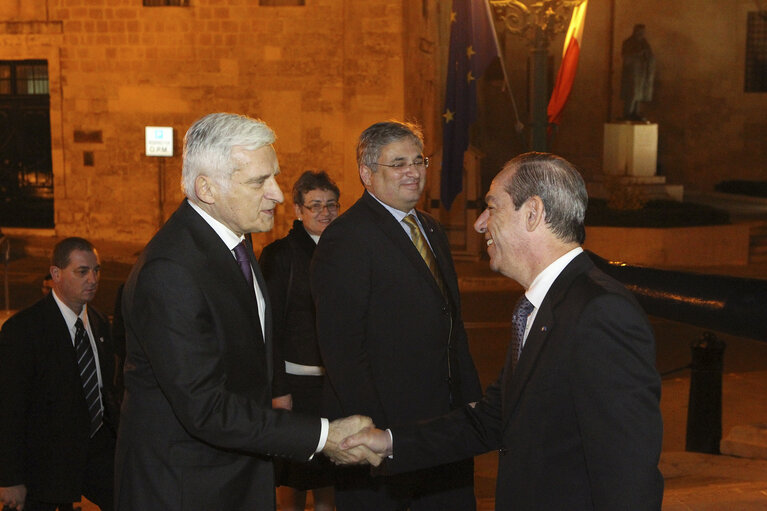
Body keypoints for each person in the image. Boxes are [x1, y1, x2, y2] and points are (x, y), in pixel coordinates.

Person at [341, 152, 665, 510]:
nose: (480, 223)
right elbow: (492, 418)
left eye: (492, 207)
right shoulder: (540, 305)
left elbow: (628, 475)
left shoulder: (601, 313)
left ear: (533, 213)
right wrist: (387, 443)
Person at [114, 112, 375, 511]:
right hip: (188, 489)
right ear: (207, 188)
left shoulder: (234, 242)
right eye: (259, 181)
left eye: (273, 177)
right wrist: (325, 436)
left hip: (235, 474)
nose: (277, 194)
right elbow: (207, 408)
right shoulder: (171, 271)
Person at [311, 121, 482, 510]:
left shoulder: (433, 231)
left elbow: (452, 327)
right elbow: (342, 350)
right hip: (388, 438)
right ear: (366, 174)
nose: (413, 171)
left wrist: (473, 407)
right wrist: (378, 433)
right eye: (398, 163)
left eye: (418, 160)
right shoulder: (346, 238)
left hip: (445, 431)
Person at [0, 237, 123, 511]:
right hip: (44, 464)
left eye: (97, 270)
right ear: (56, 274)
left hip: (97, 453)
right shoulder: (24, 330)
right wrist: (10, 479)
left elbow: (105, 391)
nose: (92, 279)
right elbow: (10, 409)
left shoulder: (101, 324)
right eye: (82, 271)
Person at [260, 170, 341, 511]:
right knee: (292, 476)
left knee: (330, 473)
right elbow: (268, 327)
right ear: (298, 210)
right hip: (294, 385)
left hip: (335, 385)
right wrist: (278, 389)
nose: (324, 212)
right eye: (315, 205)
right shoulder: (280, 255)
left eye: (331, 205)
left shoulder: (347, 251)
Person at [621, 24, 655, 121]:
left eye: (643, 32)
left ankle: (635, 112)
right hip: (632, 73)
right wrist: (639, 53)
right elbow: (626, 57)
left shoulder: (644, 43)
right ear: (635, 31)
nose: (641, 34)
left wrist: (648, 57)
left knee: (639, 94)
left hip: (641, 72)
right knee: (632, 93)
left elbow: (650, 55)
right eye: (640, 32)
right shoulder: (628, 42)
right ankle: (627, 113)